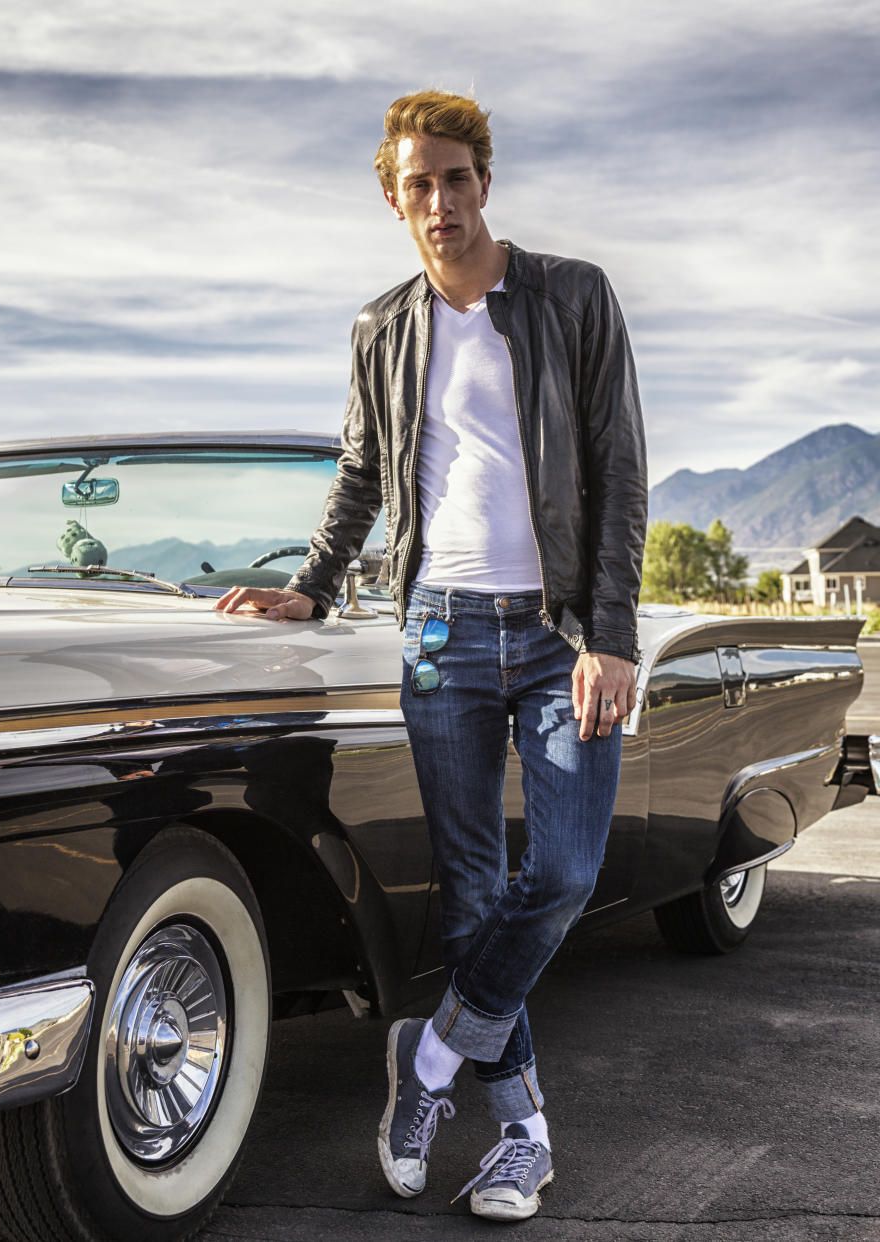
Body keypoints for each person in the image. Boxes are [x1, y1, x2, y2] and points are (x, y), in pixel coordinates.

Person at [215, 89, 647, 1221]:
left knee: (559, 875)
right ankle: (522, 1141)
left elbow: (619, 475)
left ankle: (434, 1058)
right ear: (395, 197)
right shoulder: (382, 326)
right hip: (441, 632)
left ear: (485, 183)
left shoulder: (572, 297)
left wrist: (610, 636)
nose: (441, 200)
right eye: (420, 183)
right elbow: (361, 473)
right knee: (469, 901)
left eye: (458, 178)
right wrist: (310, 588)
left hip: (558, 638)